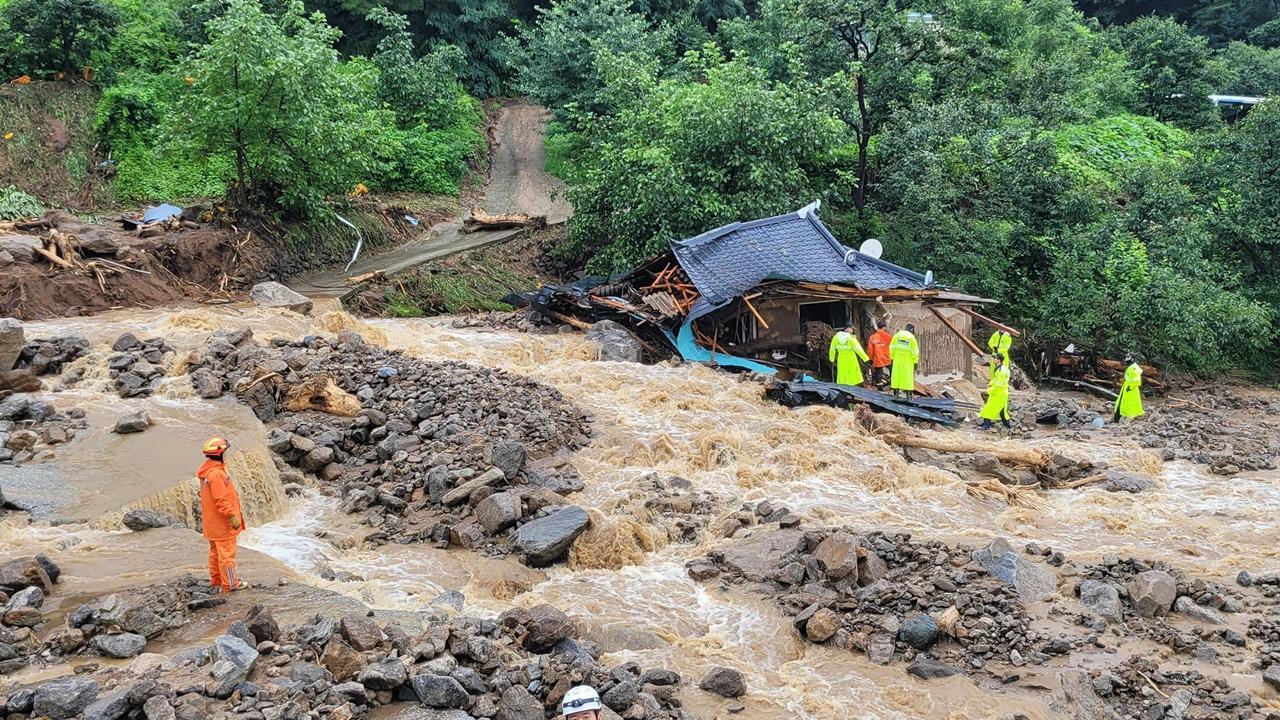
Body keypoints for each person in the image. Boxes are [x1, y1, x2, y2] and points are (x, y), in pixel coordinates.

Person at [199, 437, 248, 593]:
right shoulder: (216, 475)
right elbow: (221, 500)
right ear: (220, 454)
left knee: (215, 552)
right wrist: (232, 516)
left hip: (212, 523)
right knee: (227, 554)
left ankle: (217, 580)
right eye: (225, 451)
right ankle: (230, 584)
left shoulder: (207, 471)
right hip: (222, 523)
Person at [979, 353, 1012, 430]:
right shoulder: (1001, 367)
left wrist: (989, 390)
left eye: (995, 358)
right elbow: (995, 379)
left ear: (999, 360)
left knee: (989, 408)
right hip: (1001, 392)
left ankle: (986, 425)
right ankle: (1007, 426)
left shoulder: (1002, 371)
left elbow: (999, 384)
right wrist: (990, 384)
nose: (993, 360)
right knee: (1002, 410)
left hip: (998, 393)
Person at [889, 324, 920, 400]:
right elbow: (915, 351)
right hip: (908, 361)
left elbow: (891, 348)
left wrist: (892, 358)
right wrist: (915, 362)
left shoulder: (897, 336)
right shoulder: (911, 338)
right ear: (912, 330)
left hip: (897, 360)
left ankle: (896, 395)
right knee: (908, 378)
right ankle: (908, 396)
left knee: (896, 377)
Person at [1113, 357, 1144, 422]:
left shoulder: (1134, 368)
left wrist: (1130, 387)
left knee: (1128, 403)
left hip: (1130, 388)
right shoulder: (1131, 367)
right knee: (1122, 402)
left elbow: (1137, 381)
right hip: (1127, 387)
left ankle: (1123, 418)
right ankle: (1117, 418)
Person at [867, 320, 893, 387]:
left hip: (877, 359)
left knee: (878, 376)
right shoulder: (889, 336)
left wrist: (871, 359)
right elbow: (892, 347)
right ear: (884, 327)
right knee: (892, 372)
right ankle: (893, 387)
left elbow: (870, 350)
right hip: (887, 358)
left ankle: (880, 390)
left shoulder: (872, 337)